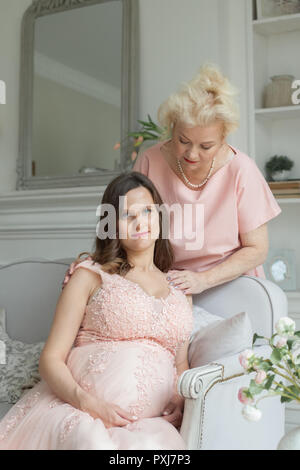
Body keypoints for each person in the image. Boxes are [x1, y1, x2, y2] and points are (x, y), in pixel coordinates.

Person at [0, 172, 193, 450]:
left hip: (150, 428)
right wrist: (88, 403)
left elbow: (180, 365)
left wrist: (179, 399)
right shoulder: (89, 276)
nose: (141, 223)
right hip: (82, 414)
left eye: (148, 211)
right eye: (128, 215)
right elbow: (51, 359)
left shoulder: (181, 290)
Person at [133, 63, 282, 295]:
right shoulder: (150, 161)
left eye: (206, 146)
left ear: (223, 138)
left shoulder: (242, 170)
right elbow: (126, 230)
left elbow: (257, 249)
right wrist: (93, 267)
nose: (192, 154)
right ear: (172, 127)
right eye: (183, 140)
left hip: (231, 284)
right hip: (168, 284)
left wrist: (203, 280)